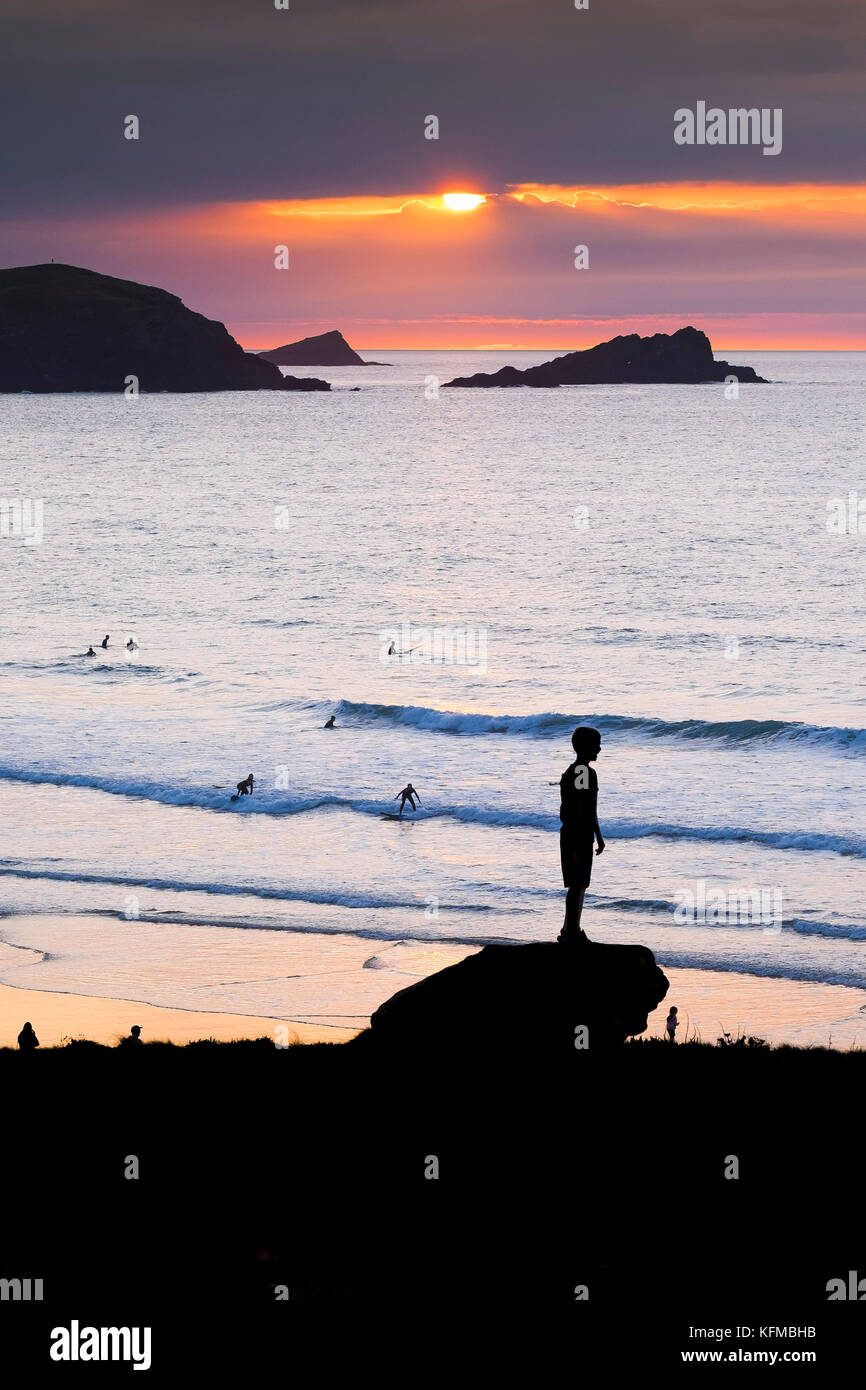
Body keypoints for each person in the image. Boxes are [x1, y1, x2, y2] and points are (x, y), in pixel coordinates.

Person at [557, 726, 605, 945]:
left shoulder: (576, 771)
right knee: (578, 883)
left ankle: (570, 928)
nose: (599, 749)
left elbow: (586, 806)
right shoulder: (582, 773)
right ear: (585, 747)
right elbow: (583, 806)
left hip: (577, 833)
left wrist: (597, 834)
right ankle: (572, 931)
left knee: (579, 883)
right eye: (596, 744)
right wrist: (592, 834)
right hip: (577, 834)